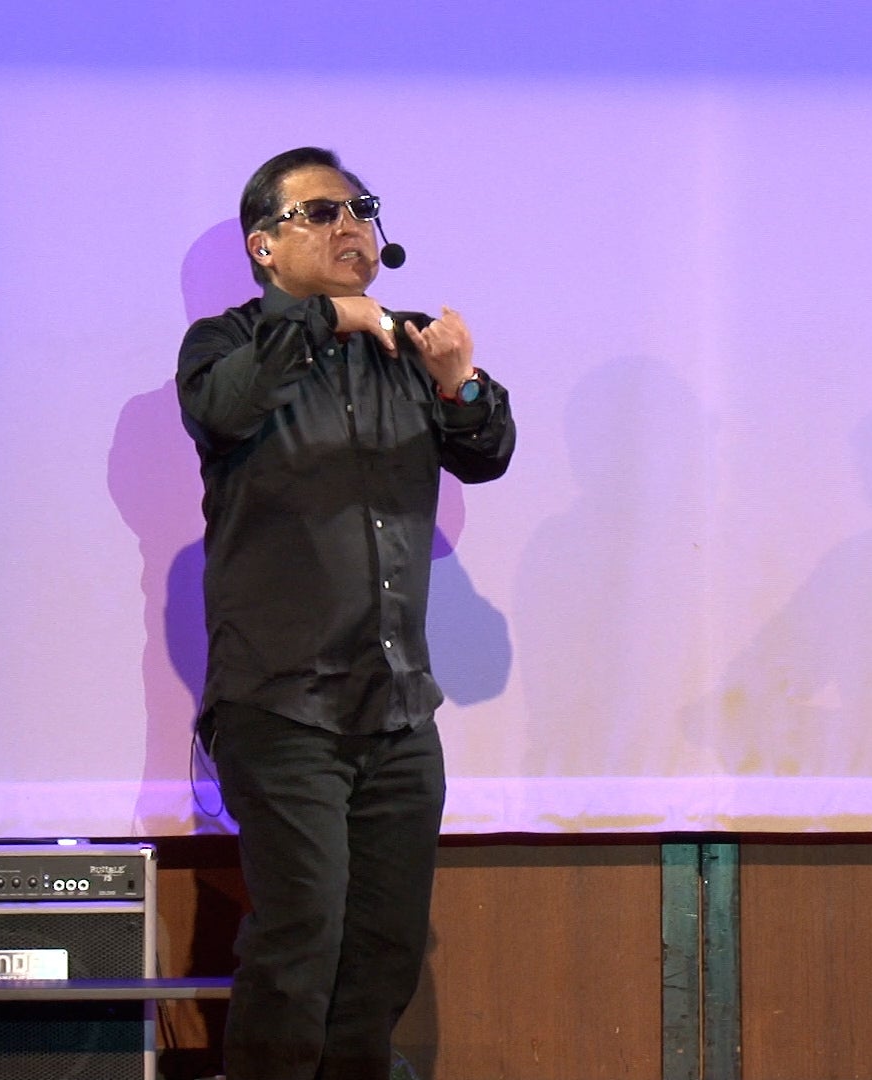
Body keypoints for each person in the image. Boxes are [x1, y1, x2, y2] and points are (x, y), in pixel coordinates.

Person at [177, 146, 515, 1079]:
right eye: (321, 212)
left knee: (385, 947)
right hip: (282, 705)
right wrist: (328, 318)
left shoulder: (408, 349)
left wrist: (457, 383)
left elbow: (486, 450)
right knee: (301, 940)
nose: (351, 225)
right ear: (263, 245)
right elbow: (227, 410)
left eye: (360, 208)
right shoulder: (224, 345)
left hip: (398, 707)